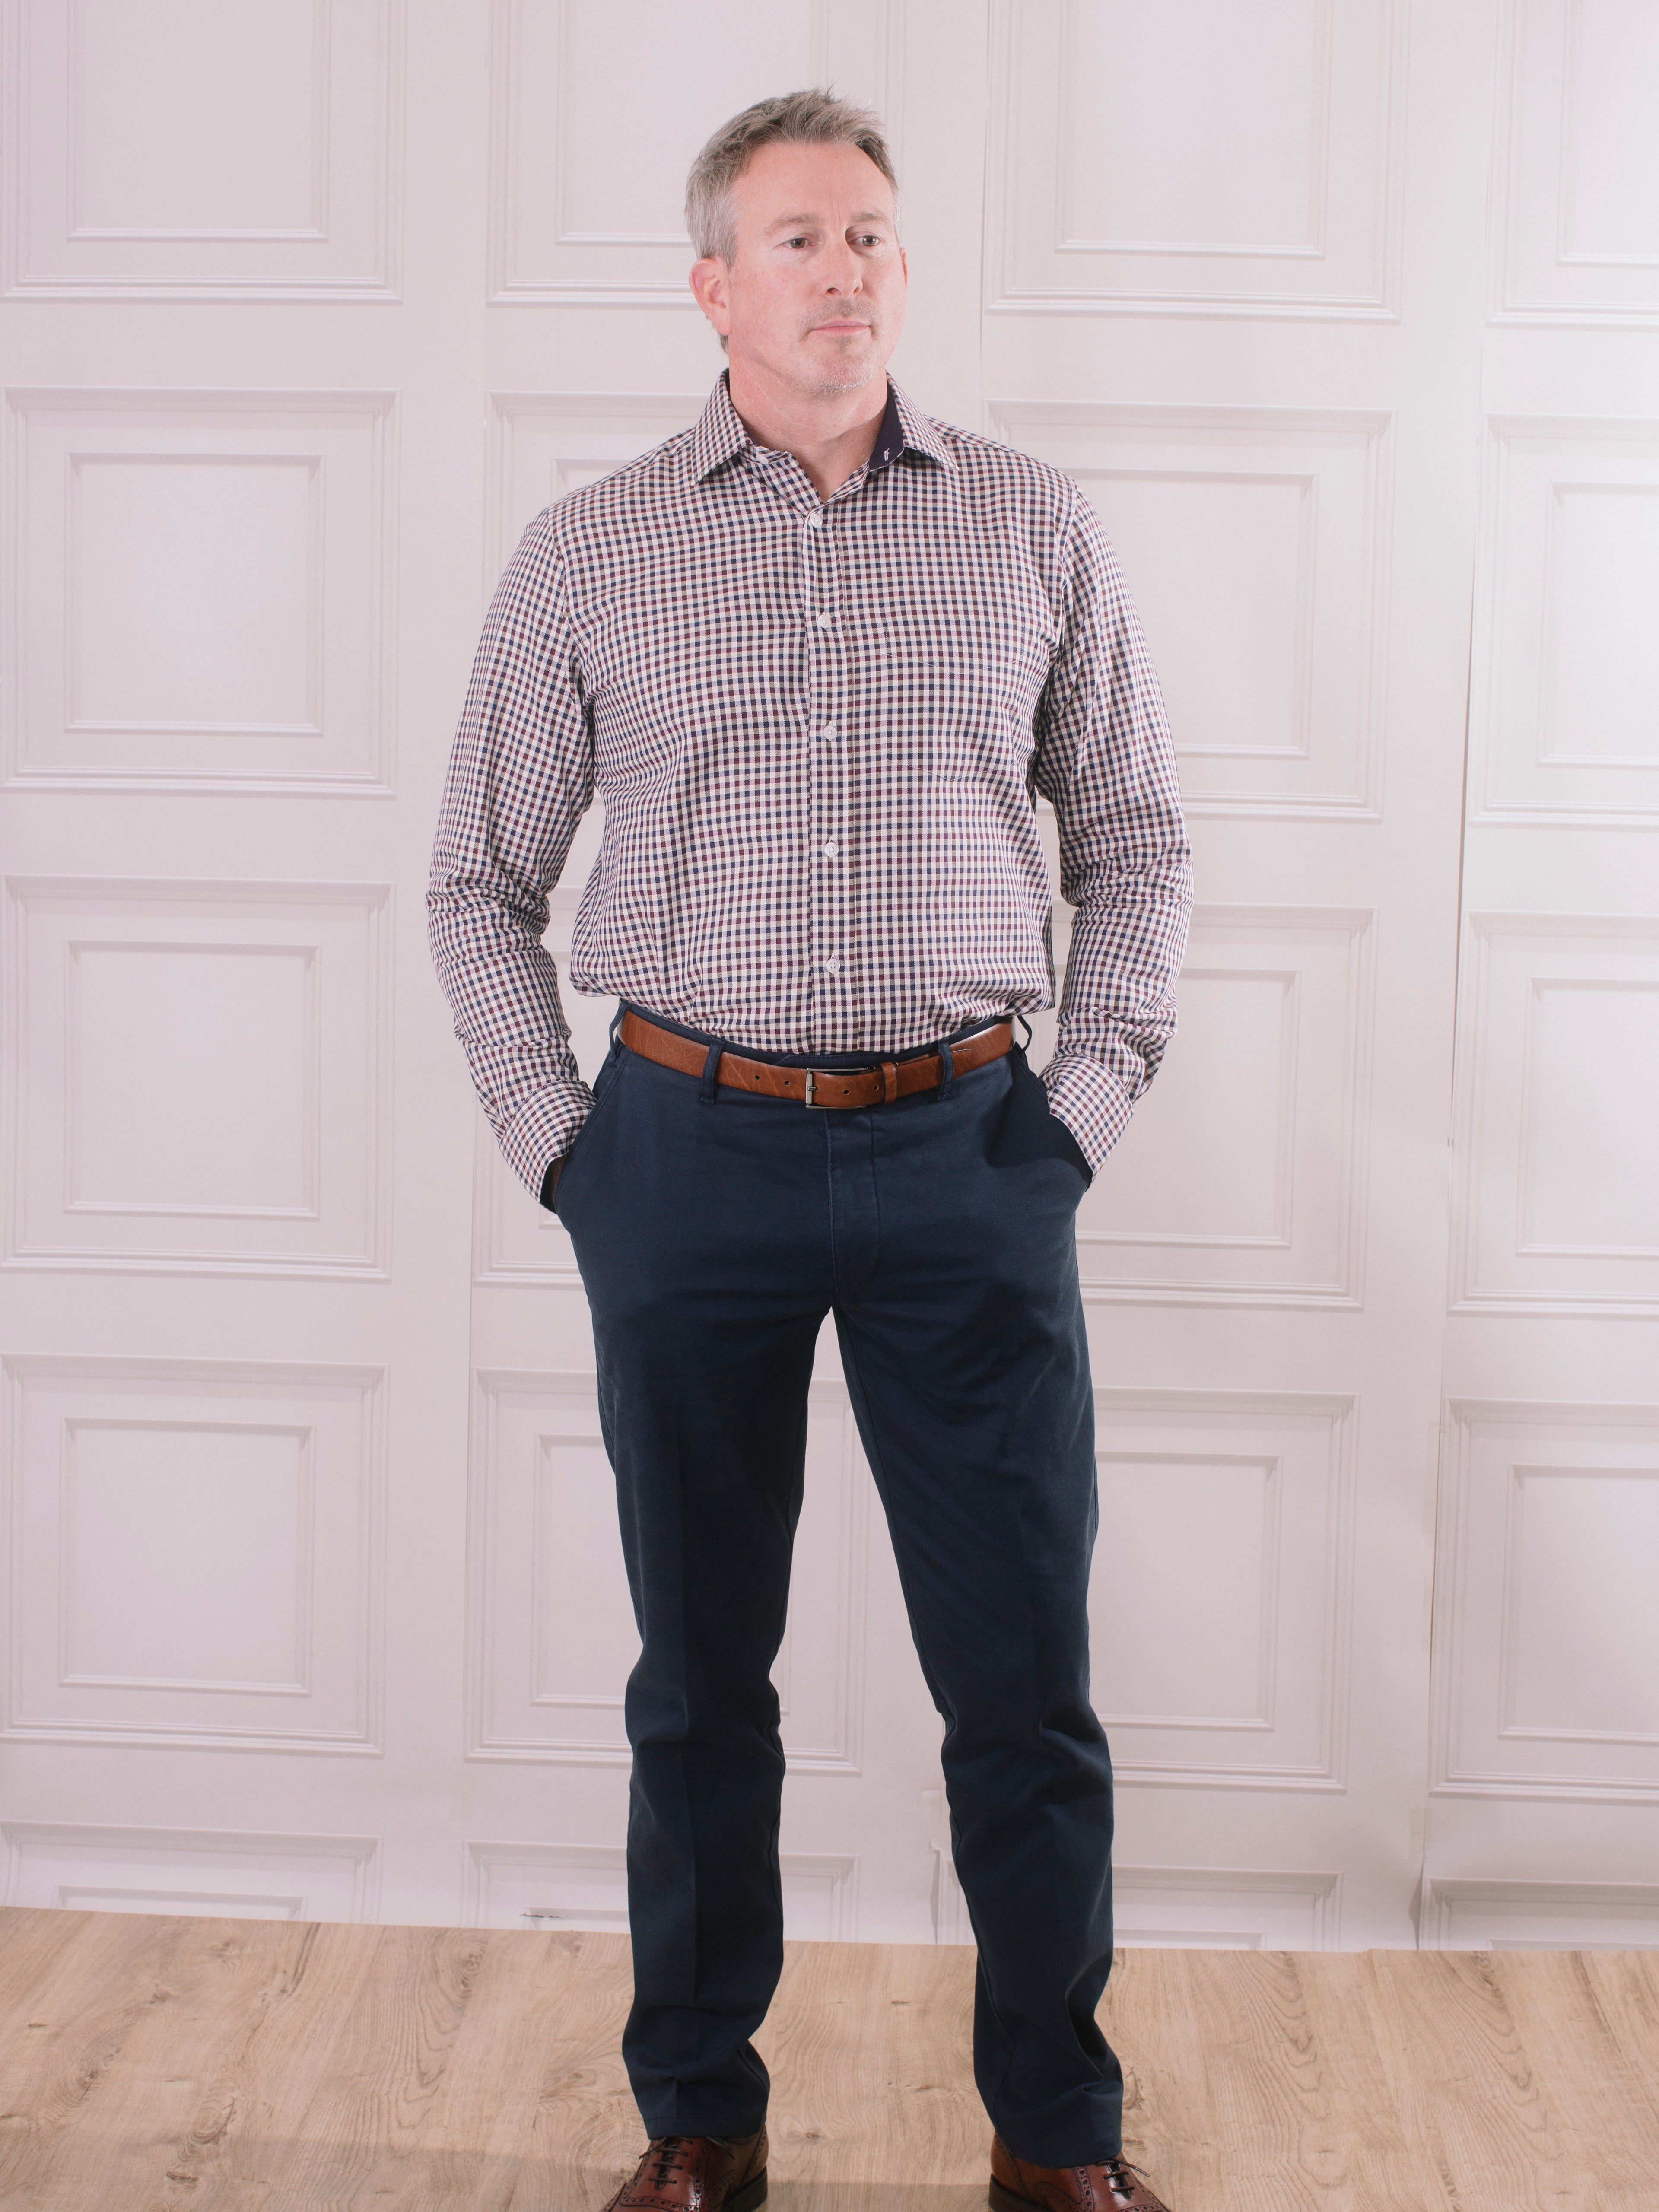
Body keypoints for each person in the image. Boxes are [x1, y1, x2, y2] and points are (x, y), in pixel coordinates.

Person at [429, 86, 1192, 2212]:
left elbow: (1135, 838)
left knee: (1025, 1686)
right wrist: (571, 1152)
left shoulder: (1033, 524)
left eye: (868, 235)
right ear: (713, 285)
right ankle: (701, 2117)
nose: (842, 270)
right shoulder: (593, 548)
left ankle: (1056, 2135)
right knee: (699, 1681)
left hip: (972, 1158)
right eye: (796, 238)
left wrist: (1078, 1117)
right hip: (686, 1160)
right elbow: (476, 881)